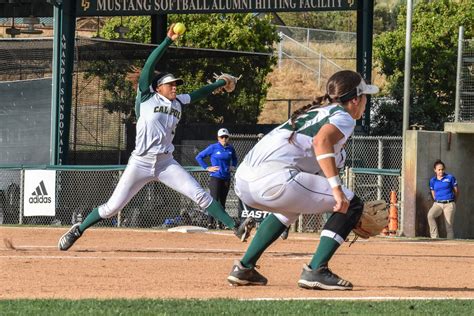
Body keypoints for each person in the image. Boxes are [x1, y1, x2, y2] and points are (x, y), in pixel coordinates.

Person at [58, 23, 254, 251]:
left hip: (165, 163)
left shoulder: (179, 102)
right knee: (112, 208)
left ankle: (236, 226)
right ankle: (77, 230)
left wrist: (220, 83)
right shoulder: (146, 98)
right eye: (170, 84)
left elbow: (199, 93)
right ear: (158, 87)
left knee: (199, 195)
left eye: (175, 85)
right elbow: (150, 65)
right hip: (140, 162)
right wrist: (168, 40)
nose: (174, 87)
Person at [226, 70, 379, 290]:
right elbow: (321, 142)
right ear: (355, 99)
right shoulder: (343, 116)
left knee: (289, 208)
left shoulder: (317, 112)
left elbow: (315, 157)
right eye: (365, 97)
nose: (365, 102)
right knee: (351, 202)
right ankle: (316, 270)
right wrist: (338, 194)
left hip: (243, 182)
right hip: (273, 180)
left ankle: (244, 268)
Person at [195, 128, 238, 229]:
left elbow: (235, 159)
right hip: (215, 178)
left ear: (228, 138)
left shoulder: (230, 148)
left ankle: (221, 223)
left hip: (226, 178)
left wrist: (233, 166)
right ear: (218, 138)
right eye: (222, 137)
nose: (224, 139)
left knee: (223, 201)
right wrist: (207, 167)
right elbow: (199, 157)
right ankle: (210, 223)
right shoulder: (213, 147)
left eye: (226, 137)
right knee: (214, 201)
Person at [427, 160, 459, 239]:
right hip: (438, 203)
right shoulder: (432, 181)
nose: (441, 171)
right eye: (439, 170)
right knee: (430, 215)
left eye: (442, 169)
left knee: (448, 226)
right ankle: (435, 238)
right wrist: (437, 200)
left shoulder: (450, 178)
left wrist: (453, 202)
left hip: (449, 204)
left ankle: (450, 244)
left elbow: (456, 191)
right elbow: (433, 192)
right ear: (435, 170)